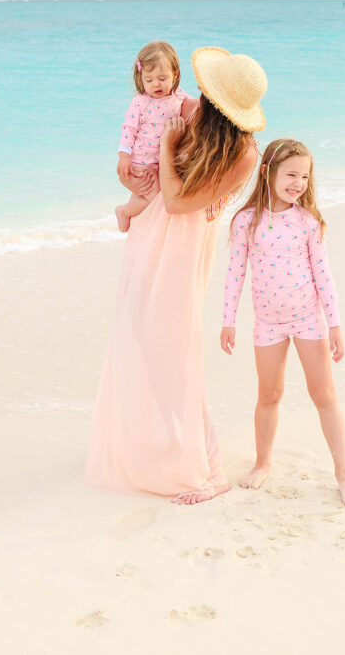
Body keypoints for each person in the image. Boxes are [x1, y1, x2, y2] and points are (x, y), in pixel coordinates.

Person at [84, 46, 267, 505]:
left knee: (175, 350)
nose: (198, 97)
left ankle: (207, 470)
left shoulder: (244, 154)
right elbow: (148, 158)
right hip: (151, 233)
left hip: (183, 246)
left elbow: (180, 200)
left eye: (208, 93)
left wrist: (167, 148)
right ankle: (163, 443)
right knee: (141, 338)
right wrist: (131, 176)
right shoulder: (193, 113)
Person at [220, 138, 345, 506]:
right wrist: (228, 320)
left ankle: (343, 473)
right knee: (269, 395)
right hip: (267, 322)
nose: (298, 183)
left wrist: (335, 324)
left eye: (304, 176)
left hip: (307, 321)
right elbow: (235, 272)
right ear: (267, 171)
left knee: (324, 395)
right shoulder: (246, 221)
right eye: (291, 174)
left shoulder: (308, 222)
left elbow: (324, 276)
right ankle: (262, 462)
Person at [115, 40, 196, 233]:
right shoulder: (140, 102)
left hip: (161, 163)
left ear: (175, 74)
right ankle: (124, 212)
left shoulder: (180, 96)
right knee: (155, 200)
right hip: (141, 163)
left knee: (145, 196)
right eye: (149, 80)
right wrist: (124, 156)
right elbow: (128, 129)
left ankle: (138, 225)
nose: (156, 84)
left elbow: (197, 109)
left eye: (162, 78)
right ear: (141, 78)